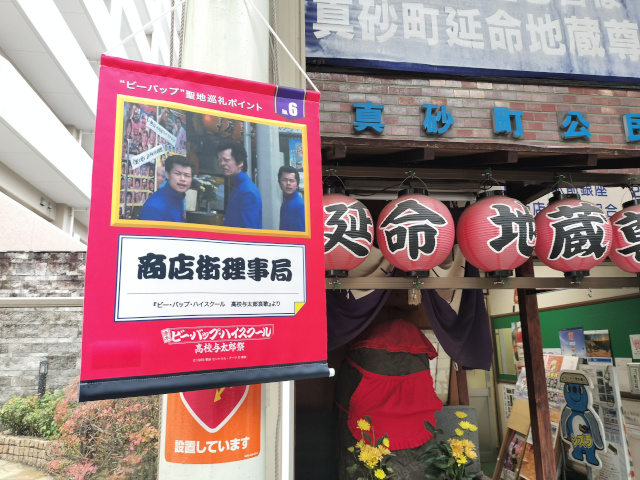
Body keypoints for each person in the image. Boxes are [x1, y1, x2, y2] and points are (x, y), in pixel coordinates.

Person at [217, 140, 262, 229]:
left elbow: (248, 232)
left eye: (226, 160)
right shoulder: (238, 186)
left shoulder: (247, 191)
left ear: (240, 162)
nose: (222, 164)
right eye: (220, 160)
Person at [139, 155, 193, 222]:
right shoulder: (154, 206)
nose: (182, 179)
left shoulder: (179, 197)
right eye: (178, 174)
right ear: (167, 174)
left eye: (187, 175)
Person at [278, 165, 304, 232]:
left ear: (297, 185)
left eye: (292, 181)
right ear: (279, 183)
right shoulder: (286, 202)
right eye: (284, 180)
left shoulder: (299, 205)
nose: (288, 183)